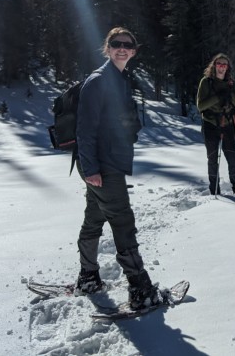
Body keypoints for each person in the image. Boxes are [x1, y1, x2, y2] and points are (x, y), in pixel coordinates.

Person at [74, 27, 160, 310]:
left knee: (94, 219)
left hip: (108, 164)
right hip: (102, 167)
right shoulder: (98, 81)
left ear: (134, 51)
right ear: (107, 48)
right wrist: (91, 169)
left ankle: (88, 276)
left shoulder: (121, 79)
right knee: (123, 222)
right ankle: (140, 288)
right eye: (116, 44)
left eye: (127, 44)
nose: (122, 48)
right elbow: (84, 130)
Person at [196, 53, 235, 195]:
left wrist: (230, 94)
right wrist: (218, 97)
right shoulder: (206, 82)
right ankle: (214, 191)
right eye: (219, 64)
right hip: (210, 125)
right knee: (212, 159)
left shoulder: (231, 83)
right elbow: (200, 106)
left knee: (231, 158)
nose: (221, 67)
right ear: (214, 65)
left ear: (227, 67)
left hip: (227, 125)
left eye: (224, 65)